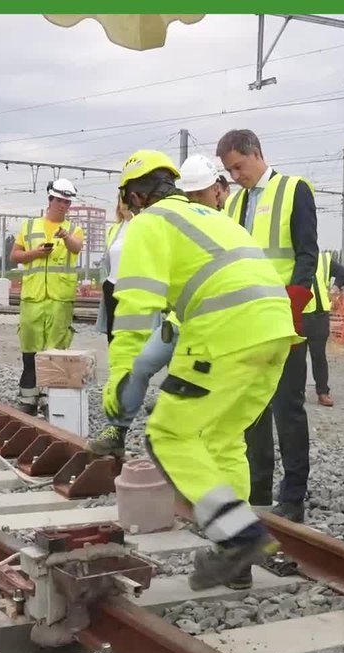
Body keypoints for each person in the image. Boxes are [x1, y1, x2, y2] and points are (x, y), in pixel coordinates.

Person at [104, 149, 299, 591]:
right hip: (275, 332)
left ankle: (239, 538)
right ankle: (237, 561)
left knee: (169, 435)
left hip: (225, 334)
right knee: (222, 440)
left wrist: (120, 377)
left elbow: (136, 309)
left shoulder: (149, 224)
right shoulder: (214, 218)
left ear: (135, 196)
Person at [85, 154, 229, 458]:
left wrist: (119, 371)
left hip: (201, 322)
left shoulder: (155, 221)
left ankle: (185, 446)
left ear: (136, 196)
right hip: (182, 316)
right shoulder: (191, 219)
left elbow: (137, 314)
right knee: (143, 366)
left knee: (179, 379)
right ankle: (119, 430)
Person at [217, 129, 317, 523]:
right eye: (229, 170)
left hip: (284, 316)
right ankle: (257, 488)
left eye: (238, 167)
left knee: (287, 407)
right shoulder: (235, 203)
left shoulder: (295, 191)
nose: (235, 175)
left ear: (256, 153)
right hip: (246, 320)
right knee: (251, 409)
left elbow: (307, 252)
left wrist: (296, 299)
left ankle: (293, 494)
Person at [10, 179, 85, 414]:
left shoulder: (73, 230)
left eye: (67, 202)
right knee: (30, 349)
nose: (63, 205)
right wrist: (35, 253)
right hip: (33, 297)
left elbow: (76, 248)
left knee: (55, 351)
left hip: (59, 299)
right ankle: (28, 398)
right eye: (60, 200)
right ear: (50, 200)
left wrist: (65, 237)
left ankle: (51, 398)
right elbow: (15, 256)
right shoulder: (30, 226)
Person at [303, 250, 344, 407]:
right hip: (298, 312)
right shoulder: (292, 256)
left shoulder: (323, 259)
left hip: (319, 314)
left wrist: (336, 287)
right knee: (296, 358)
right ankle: (297, 392)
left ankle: (323, 392)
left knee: (319, 356)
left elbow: (343, 273)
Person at [95, 198, 134, 344]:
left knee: (130, 337)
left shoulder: (143, 225)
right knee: (113, 338)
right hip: (112, 287)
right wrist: (104, 282)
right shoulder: (114, 229)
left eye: (127, 199)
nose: (124, 204)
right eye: (121, 200)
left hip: (132, 289)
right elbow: (105, 259)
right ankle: (115, 366)